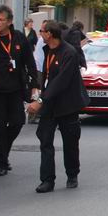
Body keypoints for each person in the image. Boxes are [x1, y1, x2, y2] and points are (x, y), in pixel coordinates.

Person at [26, 20, 89, 193]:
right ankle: (47, 180)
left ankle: (72, 174)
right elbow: (47, 78)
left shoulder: (69, 52)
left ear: (49, 34)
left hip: (67, 103)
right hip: (50, 103)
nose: (39, 34)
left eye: (41, 31)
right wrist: (38, 94)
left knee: (70, 141)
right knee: (45, 139)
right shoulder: (47, 50)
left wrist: (40, 102)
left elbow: (61, 81)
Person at [0, 5, 38, 176]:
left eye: (1, 20)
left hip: (15, 89)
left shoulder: (19, 38)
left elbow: (29, 62)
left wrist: (35, 85)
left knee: (17, 122)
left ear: (9, 22)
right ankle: (2, 162)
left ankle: (2, 149)